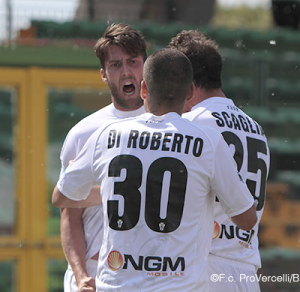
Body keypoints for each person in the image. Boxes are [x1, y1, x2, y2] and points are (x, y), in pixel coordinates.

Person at [52, 48, 257, 291]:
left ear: (144, 89)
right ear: (190, 91)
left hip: (116, 285)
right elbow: (247, 219)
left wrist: (110, 187)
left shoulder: (106, 136)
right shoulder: (209, 142)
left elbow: (61, 197)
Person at [168, 30, 270, 292]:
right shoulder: (256, 128)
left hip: (203, 268)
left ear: (185, 82)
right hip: (246, 270)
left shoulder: (189, 126)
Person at [59, 23, 147, 292]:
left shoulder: (170, 127)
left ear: (146, 65)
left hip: (149, 275)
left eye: (132, 62)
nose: (126, 72)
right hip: (94, 277)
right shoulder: (84, 133)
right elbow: (69, 213)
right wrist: (81, 275)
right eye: (116, 65)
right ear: (103, 74)